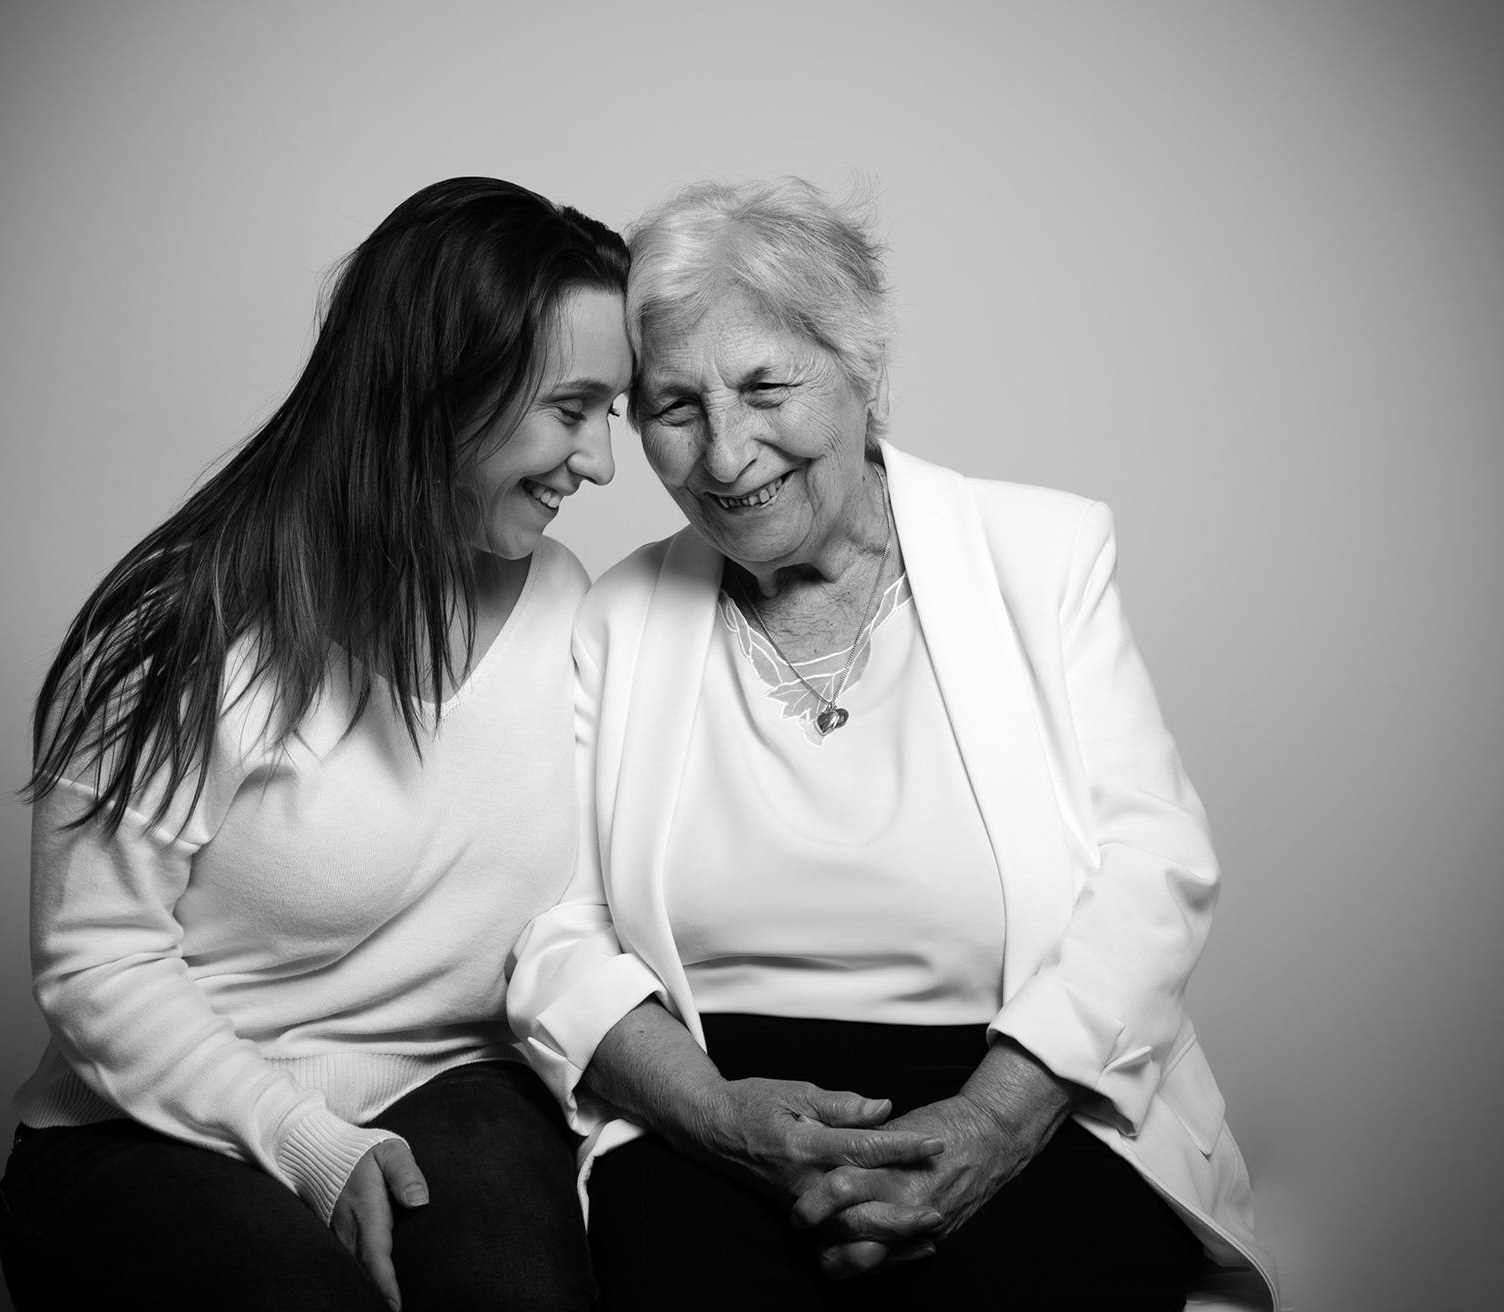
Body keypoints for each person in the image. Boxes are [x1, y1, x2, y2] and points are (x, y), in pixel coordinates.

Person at [505, 178, 1281, 1311]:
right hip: (713, 1109)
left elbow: (1154, 871)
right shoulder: (612, 616)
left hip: (1022, 1087)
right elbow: (553, 931)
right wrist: (717, 1119)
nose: (726, 456)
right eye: (675, 406)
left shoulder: (1041, 552)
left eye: (767, 386)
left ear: (864, 374)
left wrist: (988, 1121)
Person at [0, 177, 632, 1312]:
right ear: (442, 385)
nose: (600, 463)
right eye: (569, 407)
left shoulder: (565, 602)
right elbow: (96, 962)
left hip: (456, 1089)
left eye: (612, 412)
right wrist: (306, 1140)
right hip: (153, 1125)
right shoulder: (190, 632)